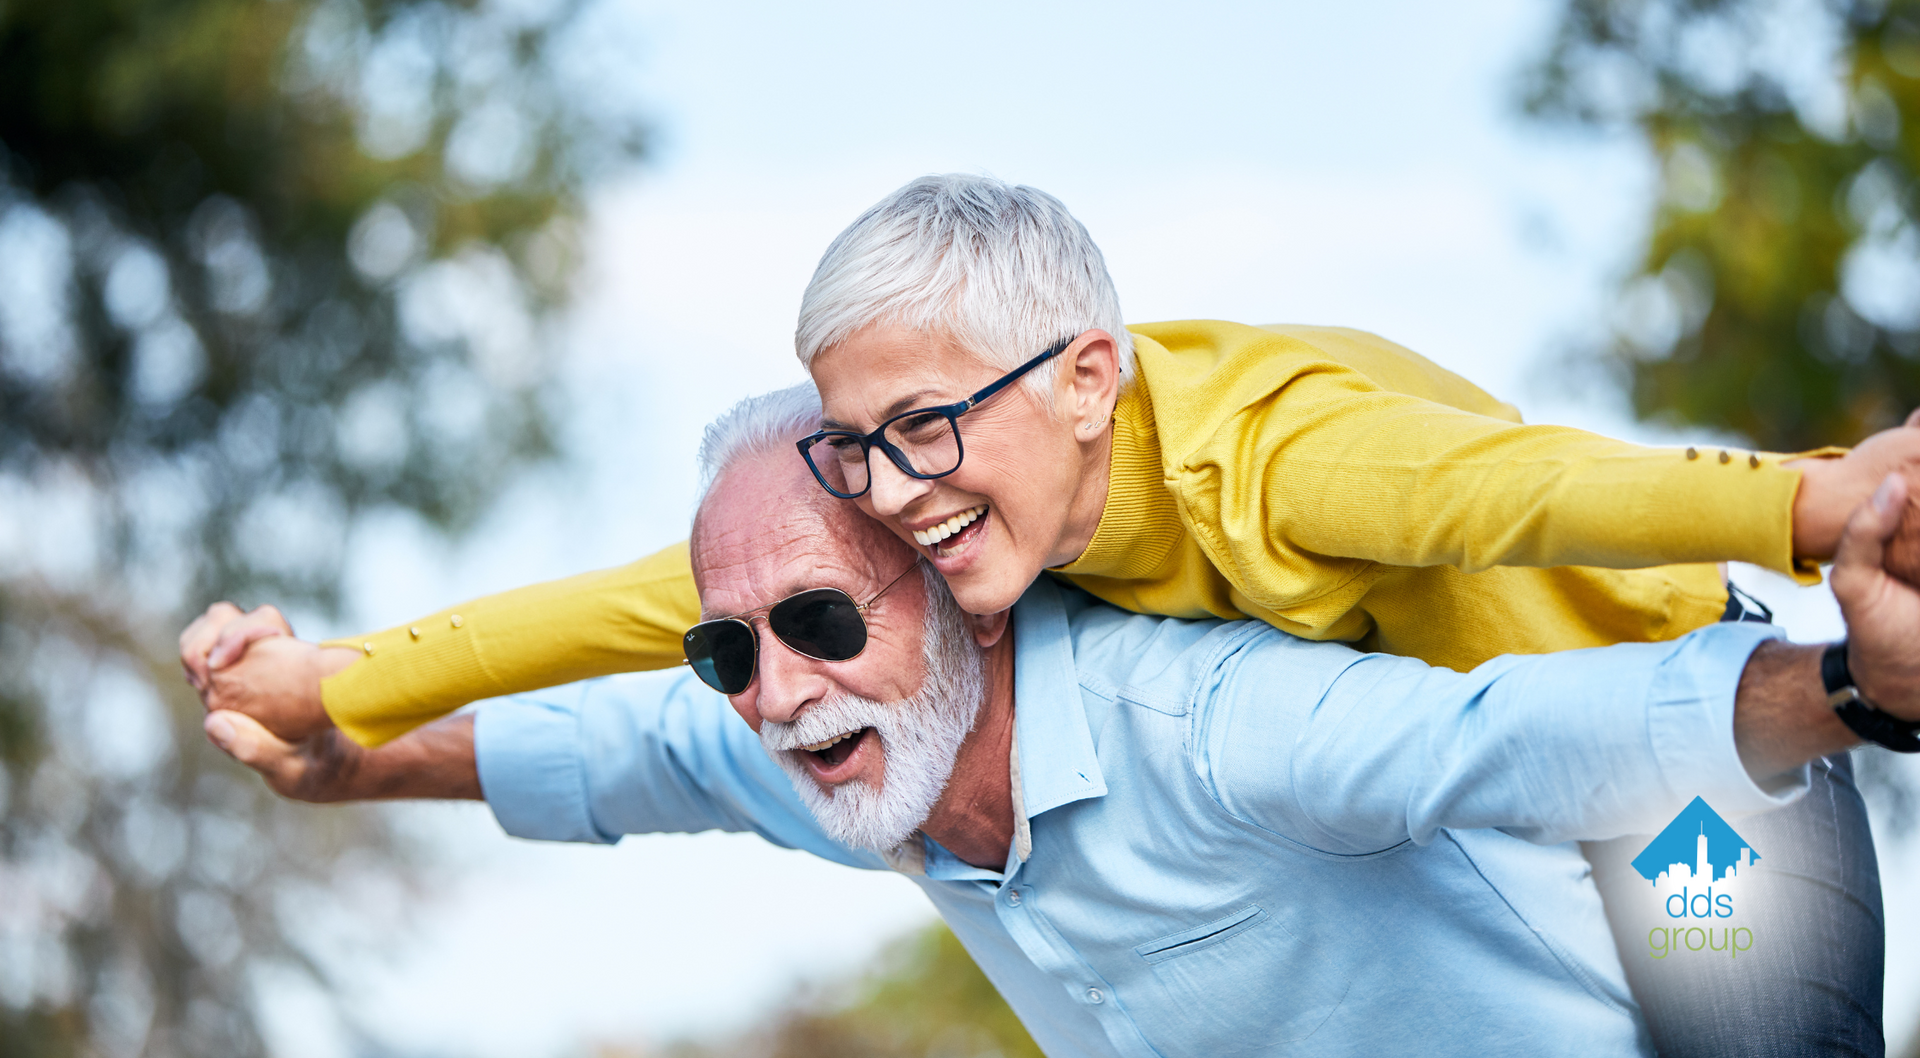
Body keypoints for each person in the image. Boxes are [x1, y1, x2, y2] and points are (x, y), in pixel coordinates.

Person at [183, 176, 1914, 1052]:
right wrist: (342, 696)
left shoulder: (1273, 492)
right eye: (860, 452)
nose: (896, 486)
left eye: (926, 433)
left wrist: (1828, 510)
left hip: (1695, 751)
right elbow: (616, 671)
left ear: (1091, 379)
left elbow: (1540, 506)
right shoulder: (863, 623)